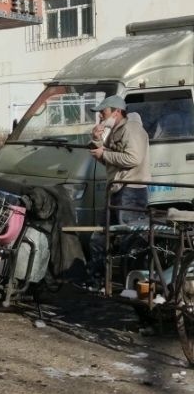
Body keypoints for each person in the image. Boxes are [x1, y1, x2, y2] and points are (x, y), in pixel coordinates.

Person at [86, 94, 150, 287]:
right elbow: (105, 156)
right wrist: (96, 141)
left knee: (130, 241)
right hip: (117, 190)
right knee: (100, 237)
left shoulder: (132, 129)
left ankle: (131, 286)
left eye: (103, 112)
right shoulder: (116, 129)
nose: (100, 116)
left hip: (131, 191)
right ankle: (96, 282)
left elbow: (133, 158)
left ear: (116, 111)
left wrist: (105, 153)